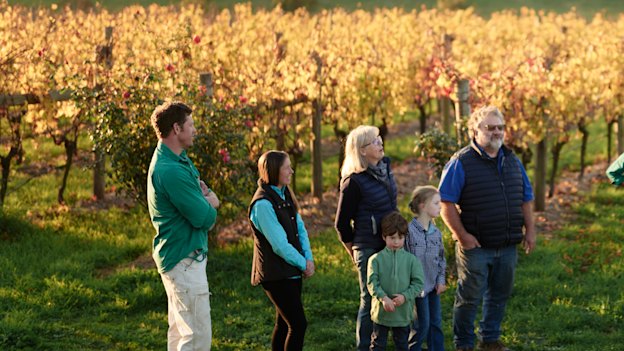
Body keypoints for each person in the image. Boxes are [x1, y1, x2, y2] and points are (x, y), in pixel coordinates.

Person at [438, 105, 536, 351]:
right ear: (475, 130)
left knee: (499, 296)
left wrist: (531, 231)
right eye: (490, 127)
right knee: (469, 298)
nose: (496, 132)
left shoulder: (512, 160)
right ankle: (464, 344)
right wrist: (462, 236)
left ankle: (490, 340)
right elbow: (445, 202)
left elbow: (526, 197)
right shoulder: (461, 162)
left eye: (500, 127)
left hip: (507, 244)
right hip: (476, 246)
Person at [147, 101, 221, 351]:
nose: (194, 130)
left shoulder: (179, 160)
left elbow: (204, 192)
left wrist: (208, 200)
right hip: (185, 261)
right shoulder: (170, 171)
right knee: (197, 337)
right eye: (190, 125)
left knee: (180, 332)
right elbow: (205, 218)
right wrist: (211, 203)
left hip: (182, 258)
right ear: (176, 129)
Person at [335, 125, 399, 351]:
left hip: (391, 244)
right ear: (361, 151)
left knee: (392, 294)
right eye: (374, 141)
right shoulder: (353, 182)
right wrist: (354, 251)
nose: (380, 142)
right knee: (369, 299)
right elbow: (341, 224)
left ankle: (382, 344)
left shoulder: (385, 168)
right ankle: (364, 346)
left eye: (379, 138)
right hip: (369, 247)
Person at [249, 150, 315, 351]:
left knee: (284, 323)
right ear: (274, 170)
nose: (291, 171)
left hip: (291, 271)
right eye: (287, 167)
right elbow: (279, 245)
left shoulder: (284, 192)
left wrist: (308, 258)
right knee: (298, 324)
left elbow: (300, 228)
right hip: (276, 275)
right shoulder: (262, 204)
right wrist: (303, 263)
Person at [367, 211, 425, 351]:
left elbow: (418, 283)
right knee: (378, 345)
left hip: (403, 313)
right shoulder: (375, 259)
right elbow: (372, 282)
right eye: (392, 237)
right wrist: (383, 298)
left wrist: (405, 296)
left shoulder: (412, 260)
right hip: (381, 312)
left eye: (400, 237)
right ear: (384, 237)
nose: (396, 241)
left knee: (402, 345)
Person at [405, 185, 447, 351]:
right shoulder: (409, 232)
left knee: (435, 323)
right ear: (422, 205)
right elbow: (405, 259)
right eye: (436, 203)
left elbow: (441, 259)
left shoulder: (436, 233)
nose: (440, 207)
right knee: (422, 324)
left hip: (433, 286)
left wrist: (441, 280)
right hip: (417, 288)